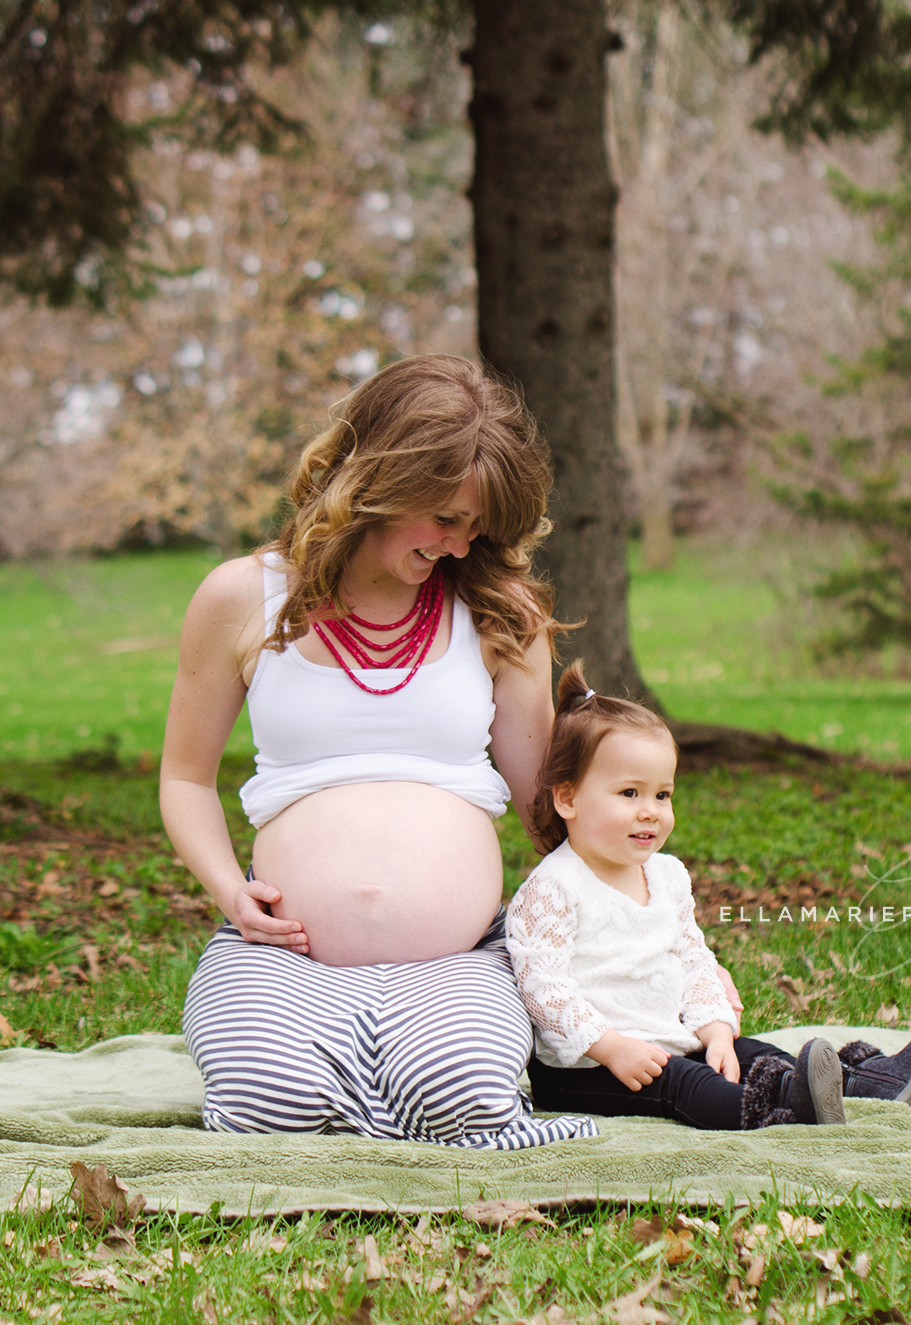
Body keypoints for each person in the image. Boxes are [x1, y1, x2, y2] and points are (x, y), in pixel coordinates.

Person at [161, 354, 606, 1148]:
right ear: (375, 481)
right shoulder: (241, 597)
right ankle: (330, 1079)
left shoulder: (497, 615)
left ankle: (408, 1075)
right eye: (445, 517)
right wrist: (231, 890)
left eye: (479, 525)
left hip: (456, 958)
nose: (462, 544)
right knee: (263, 1095)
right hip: (285, 956)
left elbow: (548, 808)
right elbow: (185, 778)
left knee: (467, 1090)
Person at [506, 662, 911, 1130]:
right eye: (630, 792)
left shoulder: (666, 875)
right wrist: (612, 1046)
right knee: (686, 1085)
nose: (650, 812)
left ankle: (867, 1083)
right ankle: (778, 1109)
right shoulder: (554, 888)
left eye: (663, 795)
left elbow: (694, 960)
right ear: (568, 798)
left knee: (746, 1052)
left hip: (668, 1037)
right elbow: (544, 990)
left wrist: (716, 1031)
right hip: (587, 1066)